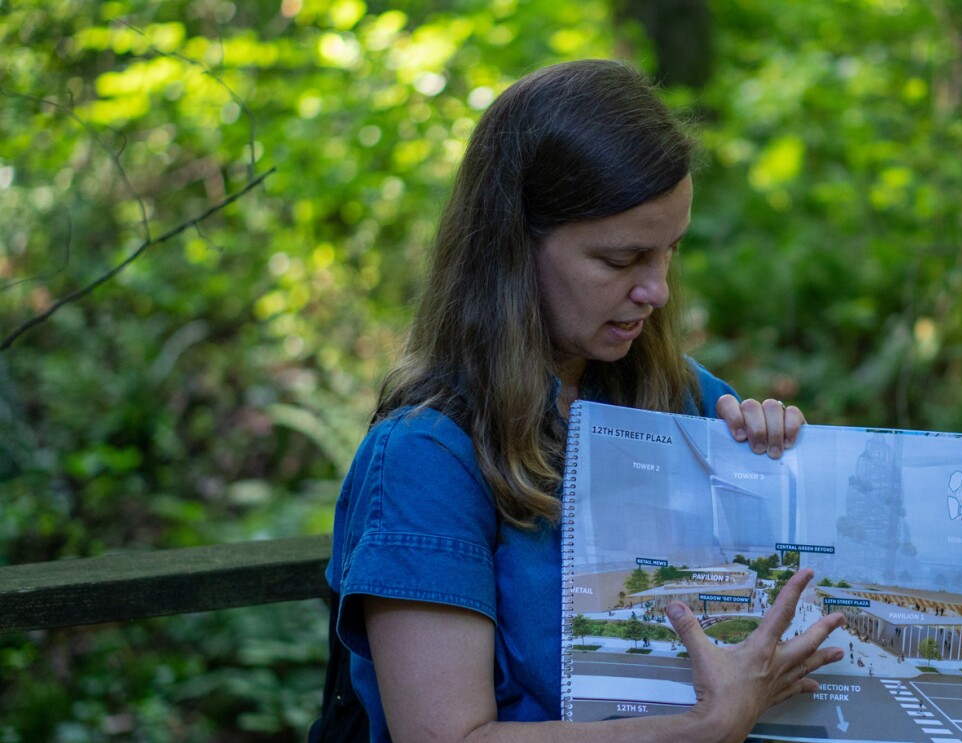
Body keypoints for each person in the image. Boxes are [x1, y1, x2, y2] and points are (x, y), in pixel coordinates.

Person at [317, 59, 845, 743]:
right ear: (513, 248)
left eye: (669, 253)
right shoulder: (427, 454)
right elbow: (448, 736)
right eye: (622, 260)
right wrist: (702, 726)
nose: (655, 290)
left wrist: (777, 464)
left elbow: (776, 601)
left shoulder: (679, 393)